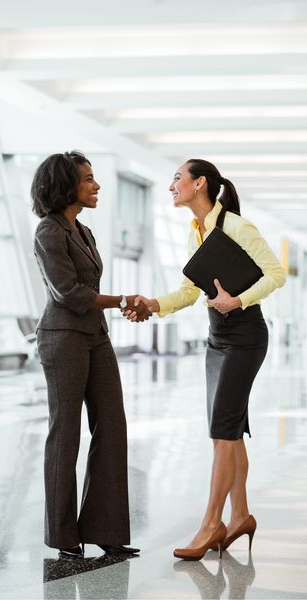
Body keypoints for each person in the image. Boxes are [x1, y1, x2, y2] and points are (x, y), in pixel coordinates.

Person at [129, 158, 286, 561]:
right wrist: (154, 304)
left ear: (199, 184)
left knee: (222, 432)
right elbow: (188, 290)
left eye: (177, 178)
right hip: (218, 339)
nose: (171, 186)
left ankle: (211, 523)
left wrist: (238, 299)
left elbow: (276, 273)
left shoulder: (235, 226)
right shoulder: (195, 231)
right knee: (229, 430)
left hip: (246, 336)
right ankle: (241, 516)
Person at [31, 150, 150, 559]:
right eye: (87, 179)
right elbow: (69, 292)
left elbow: (87, 291)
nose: (95, 185)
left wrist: (118, 304)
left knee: (112, 425)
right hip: (62, 337)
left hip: (95, 336)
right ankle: (64, 535)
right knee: (66, 434)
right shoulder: (48, 231)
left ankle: (105, 528)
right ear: (66, 186)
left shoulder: (83, 231)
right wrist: (121, 300)